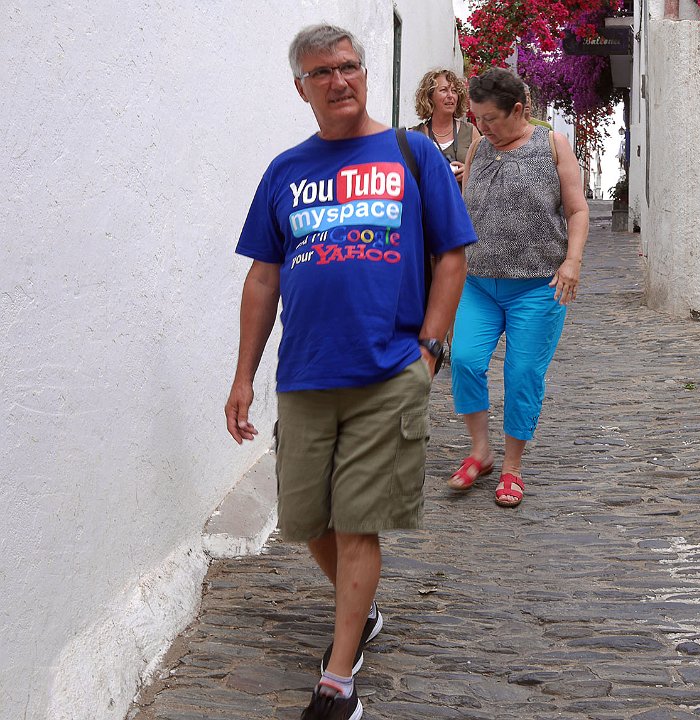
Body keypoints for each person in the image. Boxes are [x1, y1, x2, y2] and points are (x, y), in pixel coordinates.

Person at [224, 24, 475, 720]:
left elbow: (452, 255)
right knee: (308, 518)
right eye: (322, 72)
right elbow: (263, 278)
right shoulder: (285, 170)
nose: (339, 81)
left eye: (349, 66)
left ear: (364, 73)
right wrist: (243, 376)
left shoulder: (412, 154)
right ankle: (357, 609)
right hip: (305, 373)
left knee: (359, 521)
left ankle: (337, 682)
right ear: (300, 88)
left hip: (388, 370)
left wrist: (430, 349)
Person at [447, 67, 588, 508]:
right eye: (477, 118)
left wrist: (572, 262)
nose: (482, 127)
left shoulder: (552, 145)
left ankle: (512, 467)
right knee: (465, 361)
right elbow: (466, 210)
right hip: (478, 283)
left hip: (536, 286)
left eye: (490, 118)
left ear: (519, 110)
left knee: (523, 374)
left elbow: (577, 210)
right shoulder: (479, 148)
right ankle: (480, 452)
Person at [411, 68, 480, 184]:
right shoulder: (414, 134)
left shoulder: (470, 131)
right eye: (444, 90)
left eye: (454, 91)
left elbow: (486, 171)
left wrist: (469, 172)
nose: (450, 95)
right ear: (429, 97)